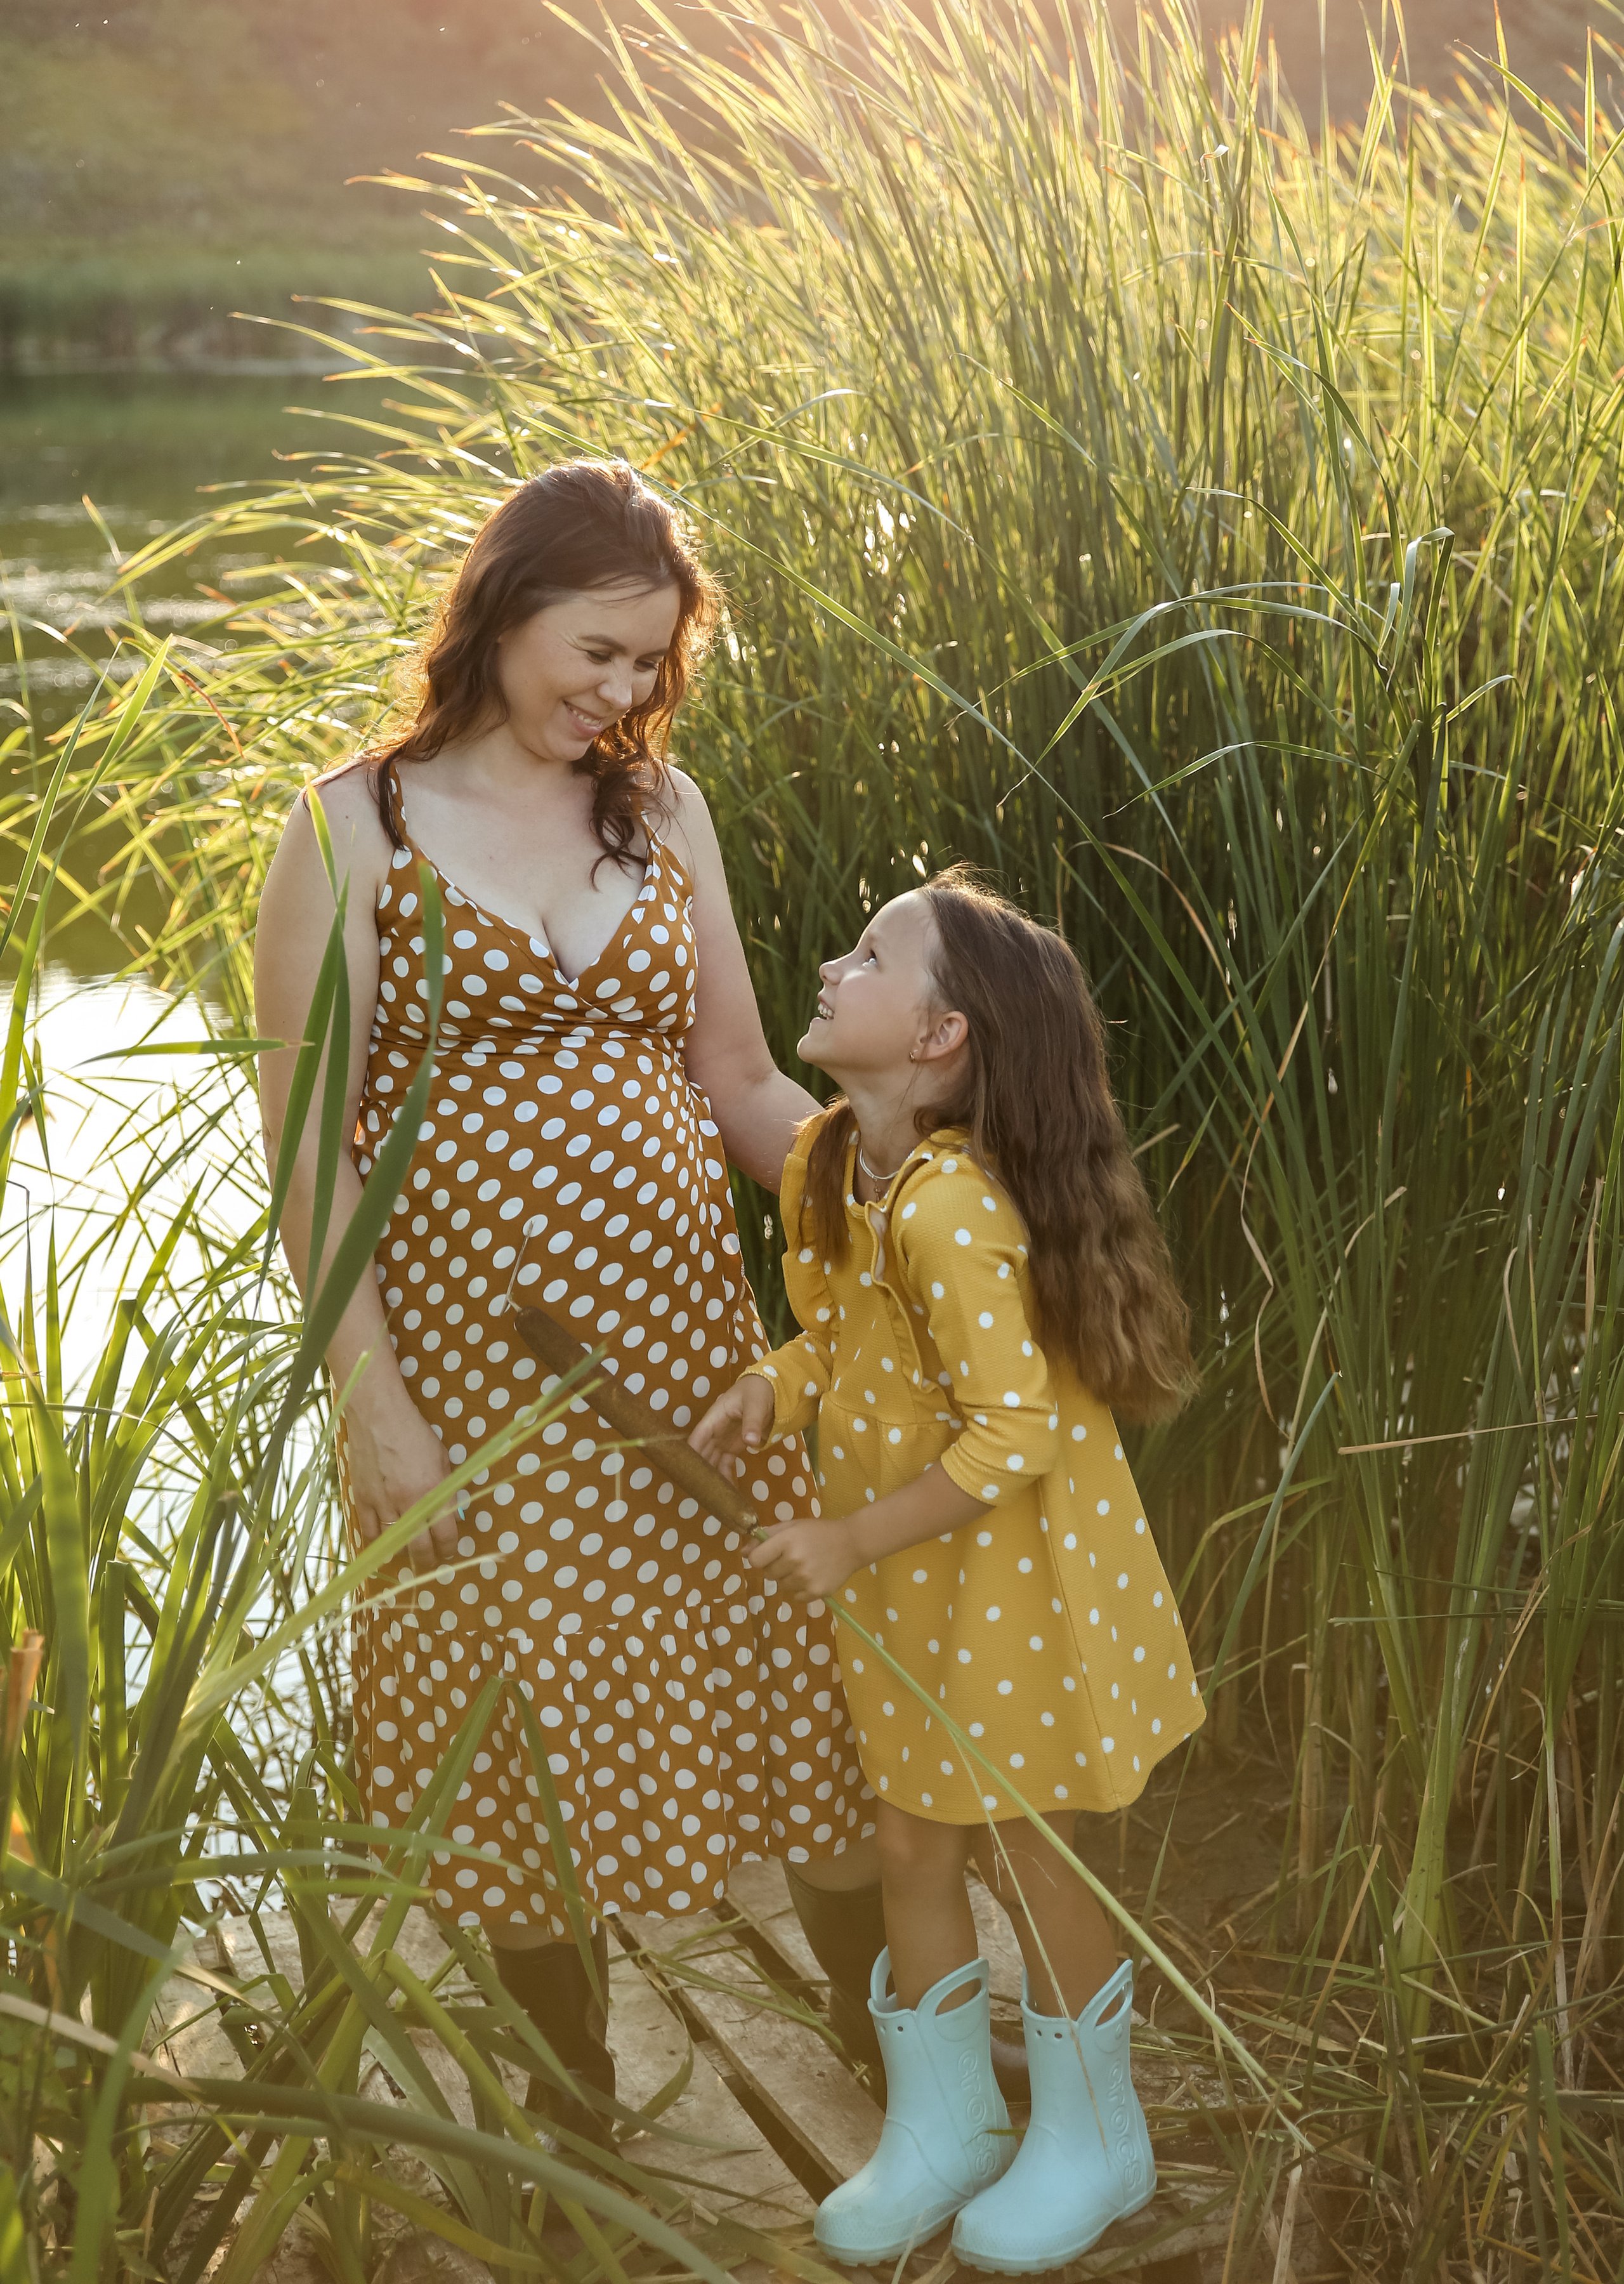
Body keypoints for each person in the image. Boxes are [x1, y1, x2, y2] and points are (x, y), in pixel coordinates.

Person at [254, 458, 874, 2139]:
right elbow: (309, 1155)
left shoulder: (657, 811)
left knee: (794, 1685)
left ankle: (880, 2029)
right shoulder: (355, 827)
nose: (619, 691)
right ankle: (572, 2096)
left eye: (648, 664)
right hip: (465, 1369)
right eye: (594, 651)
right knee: (508, 1720)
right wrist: (373, 1407)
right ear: (504, 610)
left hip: (687, 1353)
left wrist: (901, 1208)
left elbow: (740, 1079)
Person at [691, 866, 1203, 2271]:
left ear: (937, 1037)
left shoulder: (952, 1210)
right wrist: (776, 1384)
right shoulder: (840, 1170)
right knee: (913, 1839)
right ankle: (948, 2126)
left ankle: (1096, 2139)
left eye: (867, 957)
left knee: (1031, 1851)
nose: (829, 969)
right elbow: (853, 1345)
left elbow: (1013, 1431)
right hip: (921, 1584)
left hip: (1016, 1585)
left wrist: (847, 1536)